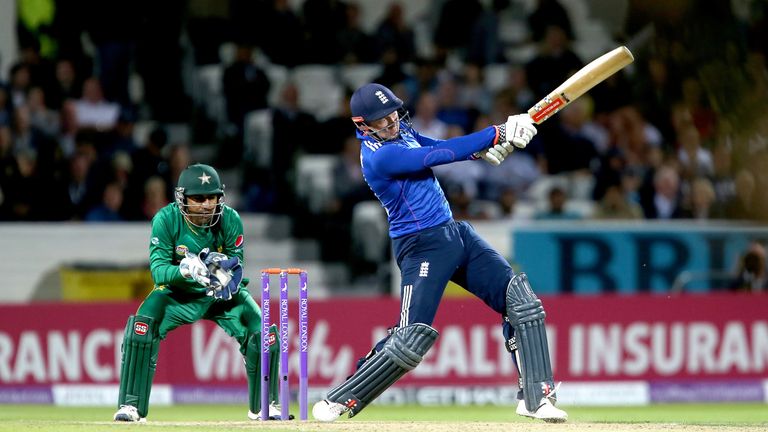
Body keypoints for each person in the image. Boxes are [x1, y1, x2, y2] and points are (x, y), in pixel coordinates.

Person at [312, 83, 567, 423]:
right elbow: (437, 156)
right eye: (381, 121)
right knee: (411, 338)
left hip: (455, 233)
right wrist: (499, 131)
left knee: (521, 301)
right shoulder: (379, 156)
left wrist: (488, 148)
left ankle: (537, 398)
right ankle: (340, 398)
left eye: (392, 115)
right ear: (363, 126)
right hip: (420, 246)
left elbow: (441, 147)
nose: (391, 124)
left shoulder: (402, 134)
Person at [113, 163, 283, 422]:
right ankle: (131, 406)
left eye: (211, 197)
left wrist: (219, 273)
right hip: (176, 294)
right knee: (143, 325)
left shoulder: (230, 219)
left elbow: (236, 268)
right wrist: (185, 269)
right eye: (199, 198)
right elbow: (158, 272)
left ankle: (265, 406)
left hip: (218, 295)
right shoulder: (166, 219)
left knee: (261, 330)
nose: (206, 204)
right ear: (183, 198)